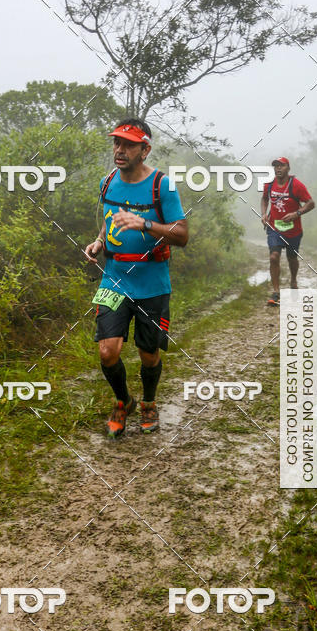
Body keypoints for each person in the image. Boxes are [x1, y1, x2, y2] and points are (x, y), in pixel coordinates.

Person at [84, 118, 188, 438]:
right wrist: (100, 242)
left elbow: (182, 235)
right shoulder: (107, 182)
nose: (120, 149)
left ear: (145, 149)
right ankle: (123, 400)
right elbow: (109, 220)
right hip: (114, 277)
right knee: (107, 350)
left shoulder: (162, 185)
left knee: (149, 353)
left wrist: (144, 224)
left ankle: (149, 402)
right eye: (117, 142)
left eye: (128, 144)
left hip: (152, 282)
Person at [260, 157, 315, 306]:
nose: (278, 168)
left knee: (292, 258)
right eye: (276, 166)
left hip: (293, 230)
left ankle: (293, 280)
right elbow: (264, 199)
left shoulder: (296, 185)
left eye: (281, 166)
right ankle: (276, 292)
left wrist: (296, 214)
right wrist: (264, 214)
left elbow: (311, 203)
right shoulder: (269, 185)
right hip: (274, 228)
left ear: (288, 168)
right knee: (273, 257)